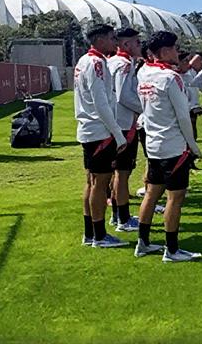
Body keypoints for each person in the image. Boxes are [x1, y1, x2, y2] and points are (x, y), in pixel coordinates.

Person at [134, 31, 202, 261]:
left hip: (153, 143)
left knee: (152, 194)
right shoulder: (170, 78)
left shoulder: (145, 75)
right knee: (175, 197)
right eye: (174, 48)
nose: (178, 52)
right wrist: (193, 146)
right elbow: (183, 116)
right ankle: (171, 249)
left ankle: (142, 242)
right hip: (173, 146)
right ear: (164, 52)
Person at [74, 23, 128, 248]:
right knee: (100, 182)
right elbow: (101, 102)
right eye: (111, 37)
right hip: (99, 132)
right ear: (99, 39)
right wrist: (118, 133)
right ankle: (99, 235)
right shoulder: (95, 63)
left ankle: (90, 233)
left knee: (92, 181)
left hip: (90, 130)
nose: (115, 41)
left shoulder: (84, 61)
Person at [106, 27, 143, 232]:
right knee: (122, 173)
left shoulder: (115, 62)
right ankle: (123, 218)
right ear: (126, 45)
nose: (140, 45)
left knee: (119, 173)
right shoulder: (123, 65)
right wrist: (145, 108)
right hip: (124, 124)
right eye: (137, 42)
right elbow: (123, 96)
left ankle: (116, 215)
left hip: (119, 122)